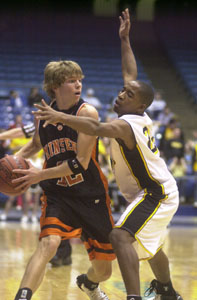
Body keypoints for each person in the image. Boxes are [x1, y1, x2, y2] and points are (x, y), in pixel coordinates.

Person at [33, 9, 183, 300]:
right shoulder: (136, 113)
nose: (121, 95)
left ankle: (133, 297)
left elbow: (93, 126)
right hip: (144, 193)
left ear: (139, 106)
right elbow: (131, 74)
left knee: (119, 237)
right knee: (149, 245)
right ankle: (167, 291)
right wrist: (125, 39)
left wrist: (59, 116)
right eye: (122, 91)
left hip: (156, 192)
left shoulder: (127, 124)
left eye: (128, 95)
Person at [12, 56, 115, 300]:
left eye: (79, 80)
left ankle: (89, 283)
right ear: (55, 86)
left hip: (90, 195)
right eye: (71, 81)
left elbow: (80, 163)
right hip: (58, 193)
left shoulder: (87, 112)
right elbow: (36, 144)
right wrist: (13, 161)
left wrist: (38, 174)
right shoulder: (42, 115)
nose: (78, 85)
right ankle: (22, 296)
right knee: (49, 243)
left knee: (104, 270)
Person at [0, 122, 72, 267]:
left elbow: (22, 133)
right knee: (58, 212)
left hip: (66, 169)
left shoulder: (65, 122)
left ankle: (65, 252)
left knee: (69, 214)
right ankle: (62, 253)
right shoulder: (43, 126)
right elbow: (23, 133)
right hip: (48, 172)